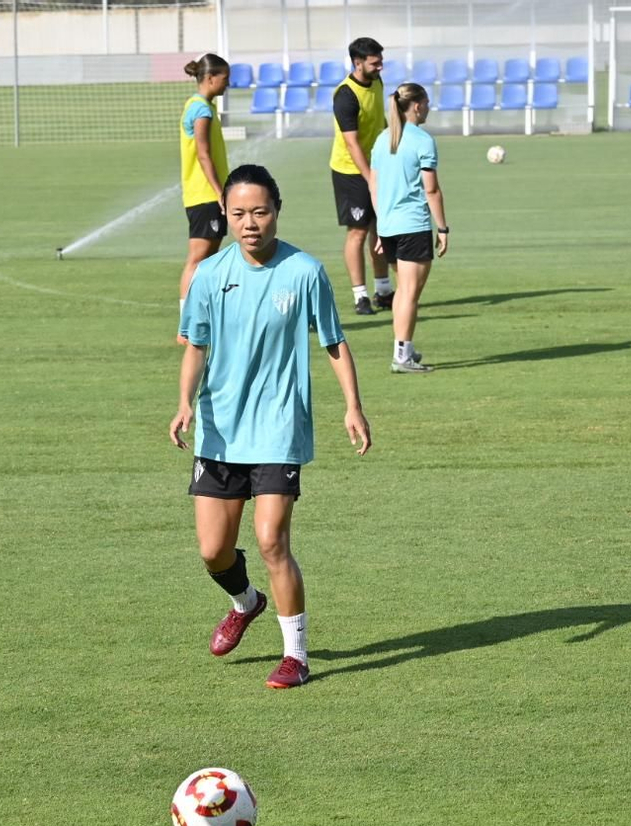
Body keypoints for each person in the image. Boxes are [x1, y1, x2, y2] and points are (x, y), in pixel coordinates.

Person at [171, 164, 372, 689]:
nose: (250, 222)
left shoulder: (304, 271)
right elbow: (195, 344)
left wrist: (353, 405)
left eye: (260, 211)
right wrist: (184, 402)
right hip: (220, 429)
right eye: (238, 213)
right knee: (214, 551)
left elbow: (333, 342)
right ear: (225, 215)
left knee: (270, 541)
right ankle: (246, 602)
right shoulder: (210, 275)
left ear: (276, 212)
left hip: (280, 428)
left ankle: (295, 656)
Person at [369, 82, 447, 373]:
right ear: (417, 105)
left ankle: (406, 349)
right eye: (426, 102)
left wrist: (382, 223)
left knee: (404, 291)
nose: (428, 107)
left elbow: (373, 184)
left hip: (388, 228)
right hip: (413, 226)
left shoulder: (381, 139)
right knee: (410, 293)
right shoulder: (422, 140)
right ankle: (401, 356)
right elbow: (432, 190)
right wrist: (443, 228)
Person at [329, 37, 394, 316]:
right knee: (357, 231)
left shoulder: (377, 83)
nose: (380, 67)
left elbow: (381, 122)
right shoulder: (345, 95)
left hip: (376, 167)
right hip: (350, 172)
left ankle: (383, 290)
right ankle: (360, 296)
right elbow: (352, 143)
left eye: (381, 61)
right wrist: (369, 178)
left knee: (380, 229)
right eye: (375, 62)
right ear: (358, 63)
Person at [177, 53, 232, 343]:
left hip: (204, 195)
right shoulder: (202, 111)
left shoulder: (199, 105)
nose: (228, 85)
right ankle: (186, 328)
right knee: (198, 259)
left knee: (206, 260)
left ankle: (199, 320)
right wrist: (220, 192)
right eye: (225, 79)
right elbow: (203, 153)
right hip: (205, 196)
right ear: (211, 78)